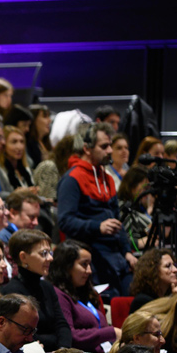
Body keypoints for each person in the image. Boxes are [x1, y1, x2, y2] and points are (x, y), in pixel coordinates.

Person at [58, 122, 135, 296]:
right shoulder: (72, 179)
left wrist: (127, 252)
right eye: (104, 146)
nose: (110, 151)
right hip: (92, 257)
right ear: (87, 148)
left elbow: (117, 221)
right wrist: (97, 226)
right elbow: (65, 221)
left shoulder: (106, 178)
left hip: (116, 256)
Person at [1, 229, 71, 350]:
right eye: (44, 253)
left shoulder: (47, 287)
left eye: (50, 253)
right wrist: (55, 341)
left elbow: (62, 325)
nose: (50, 258)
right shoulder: (12, 292)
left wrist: (63, 349)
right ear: (23, 257)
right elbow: (26, 336)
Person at [49, 239, 117, 353]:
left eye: (89, 264)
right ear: (67, 266)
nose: (89, 271)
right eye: (84, 264)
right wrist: (111, 333)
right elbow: (71, 335)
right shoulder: (58, 295)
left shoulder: (86, 292)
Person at [129, 248, 177, 314]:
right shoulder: (142, 301)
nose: (175, 270)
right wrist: (174, 300)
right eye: (168, 266)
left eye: (174, 265)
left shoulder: (168, 295)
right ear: (154, 271)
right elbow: (163, 323)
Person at [26, 103, 52, 168]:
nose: (49, 120)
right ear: (34, 120)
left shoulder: (46, 143)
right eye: (45, 117)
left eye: (49, 116)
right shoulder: (29, 145)